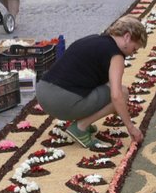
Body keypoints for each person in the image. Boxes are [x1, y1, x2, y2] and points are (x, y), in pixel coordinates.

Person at [36, 16, 148, 149]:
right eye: (134, 49)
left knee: (109, 89)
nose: (132, 54)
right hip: (61, 101)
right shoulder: (116, 55)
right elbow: (116, 96)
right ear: (127, 37)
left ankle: (82, 121)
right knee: (122, 93)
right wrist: (131, 127)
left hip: (43, 93)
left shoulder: (93, 39)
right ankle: (81, 127)